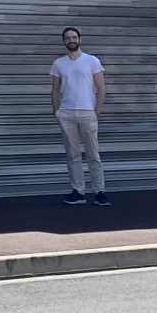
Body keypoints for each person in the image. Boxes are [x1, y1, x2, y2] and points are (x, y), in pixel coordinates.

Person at [51, 26, 109, 205]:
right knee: (73, 155)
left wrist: (97, 110)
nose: (71, 40)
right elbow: (55, 90)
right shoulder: (59, 63)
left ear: (80, 39)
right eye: (68, 38)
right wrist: (57, 111)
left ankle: (99, 192)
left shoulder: (91, 60)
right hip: (67, 113)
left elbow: (101, 87)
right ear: (64, 41)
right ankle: (78, 192)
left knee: (93, 154)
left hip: (87, 112)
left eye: (74, 37)